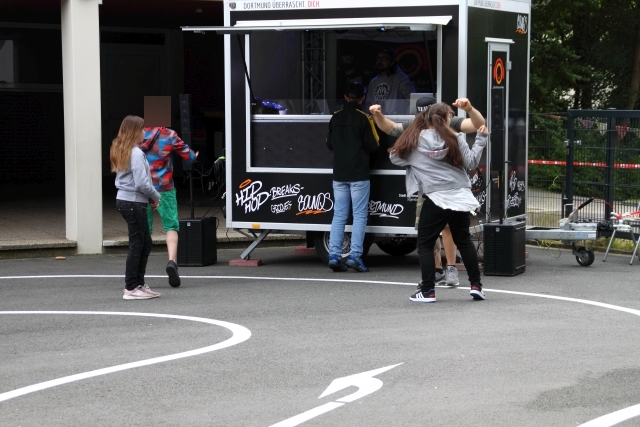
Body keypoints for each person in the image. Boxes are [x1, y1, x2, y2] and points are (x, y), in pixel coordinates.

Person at [370, 96, 485, 286]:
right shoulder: (426, 128)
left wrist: (470, 109)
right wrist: (378, 116)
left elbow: (394, 150)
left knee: (430, 237)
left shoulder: (434, 128)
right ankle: (458, 278)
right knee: (456, 237)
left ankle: (435, 280)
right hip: (451, 191)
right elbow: (390, 127)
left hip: (432, 191)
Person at [326, 82, 380, 272]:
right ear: (363, 98)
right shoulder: (364, 118)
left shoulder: (335, 117)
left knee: (339, 215)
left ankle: (334, 255)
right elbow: (374, 144)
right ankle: (355, 256)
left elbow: (329, 144)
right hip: (359, 173)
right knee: (359, 216)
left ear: (345, 97)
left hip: (339, 173)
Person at [110, 115, 162, 300]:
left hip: (128, 200)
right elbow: (142, 183)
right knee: (138, 244)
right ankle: (131, 287)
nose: (144, 132)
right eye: (142, 128)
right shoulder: (137, 153)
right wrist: (156, 196)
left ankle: (138, 284)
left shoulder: (122, 150)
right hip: (133, 202)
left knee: (144, 243)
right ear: (135, 131)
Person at [140, 127, 197, 287]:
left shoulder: (139, 133)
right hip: (165, 188)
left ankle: (139, 272)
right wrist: (194, 156)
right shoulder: (169, 134)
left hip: (143, 189)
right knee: (171, 226)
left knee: (143, 230)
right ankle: (172, 261)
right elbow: (188, 156)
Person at [365, 47, 416, 115]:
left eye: (384, 58)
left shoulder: (401, 78)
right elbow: (368, 105)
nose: (380, 61)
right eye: (378, 58)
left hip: (395, 120)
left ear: (392, 62)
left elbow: (412, 98)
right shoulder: (373, 82)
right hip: (377, 119)